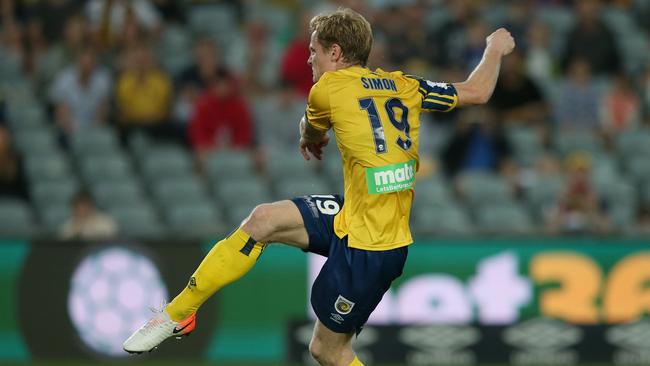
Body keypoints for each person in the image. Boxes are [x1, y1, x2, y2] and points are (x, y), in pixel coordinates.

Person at [123, 8, 514, 365]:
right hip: (354, 215)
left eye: (314, 51)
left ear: (337, 53)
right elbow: (476, 91)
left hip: (373, 247)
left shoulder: (327, 89)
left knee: (327, 350)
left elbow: (311, 127)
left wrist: (309, 138)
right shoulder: (404, 85)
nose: (309, 58)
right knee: (262, 220)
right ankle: (178, 313)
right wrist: (494, 48)